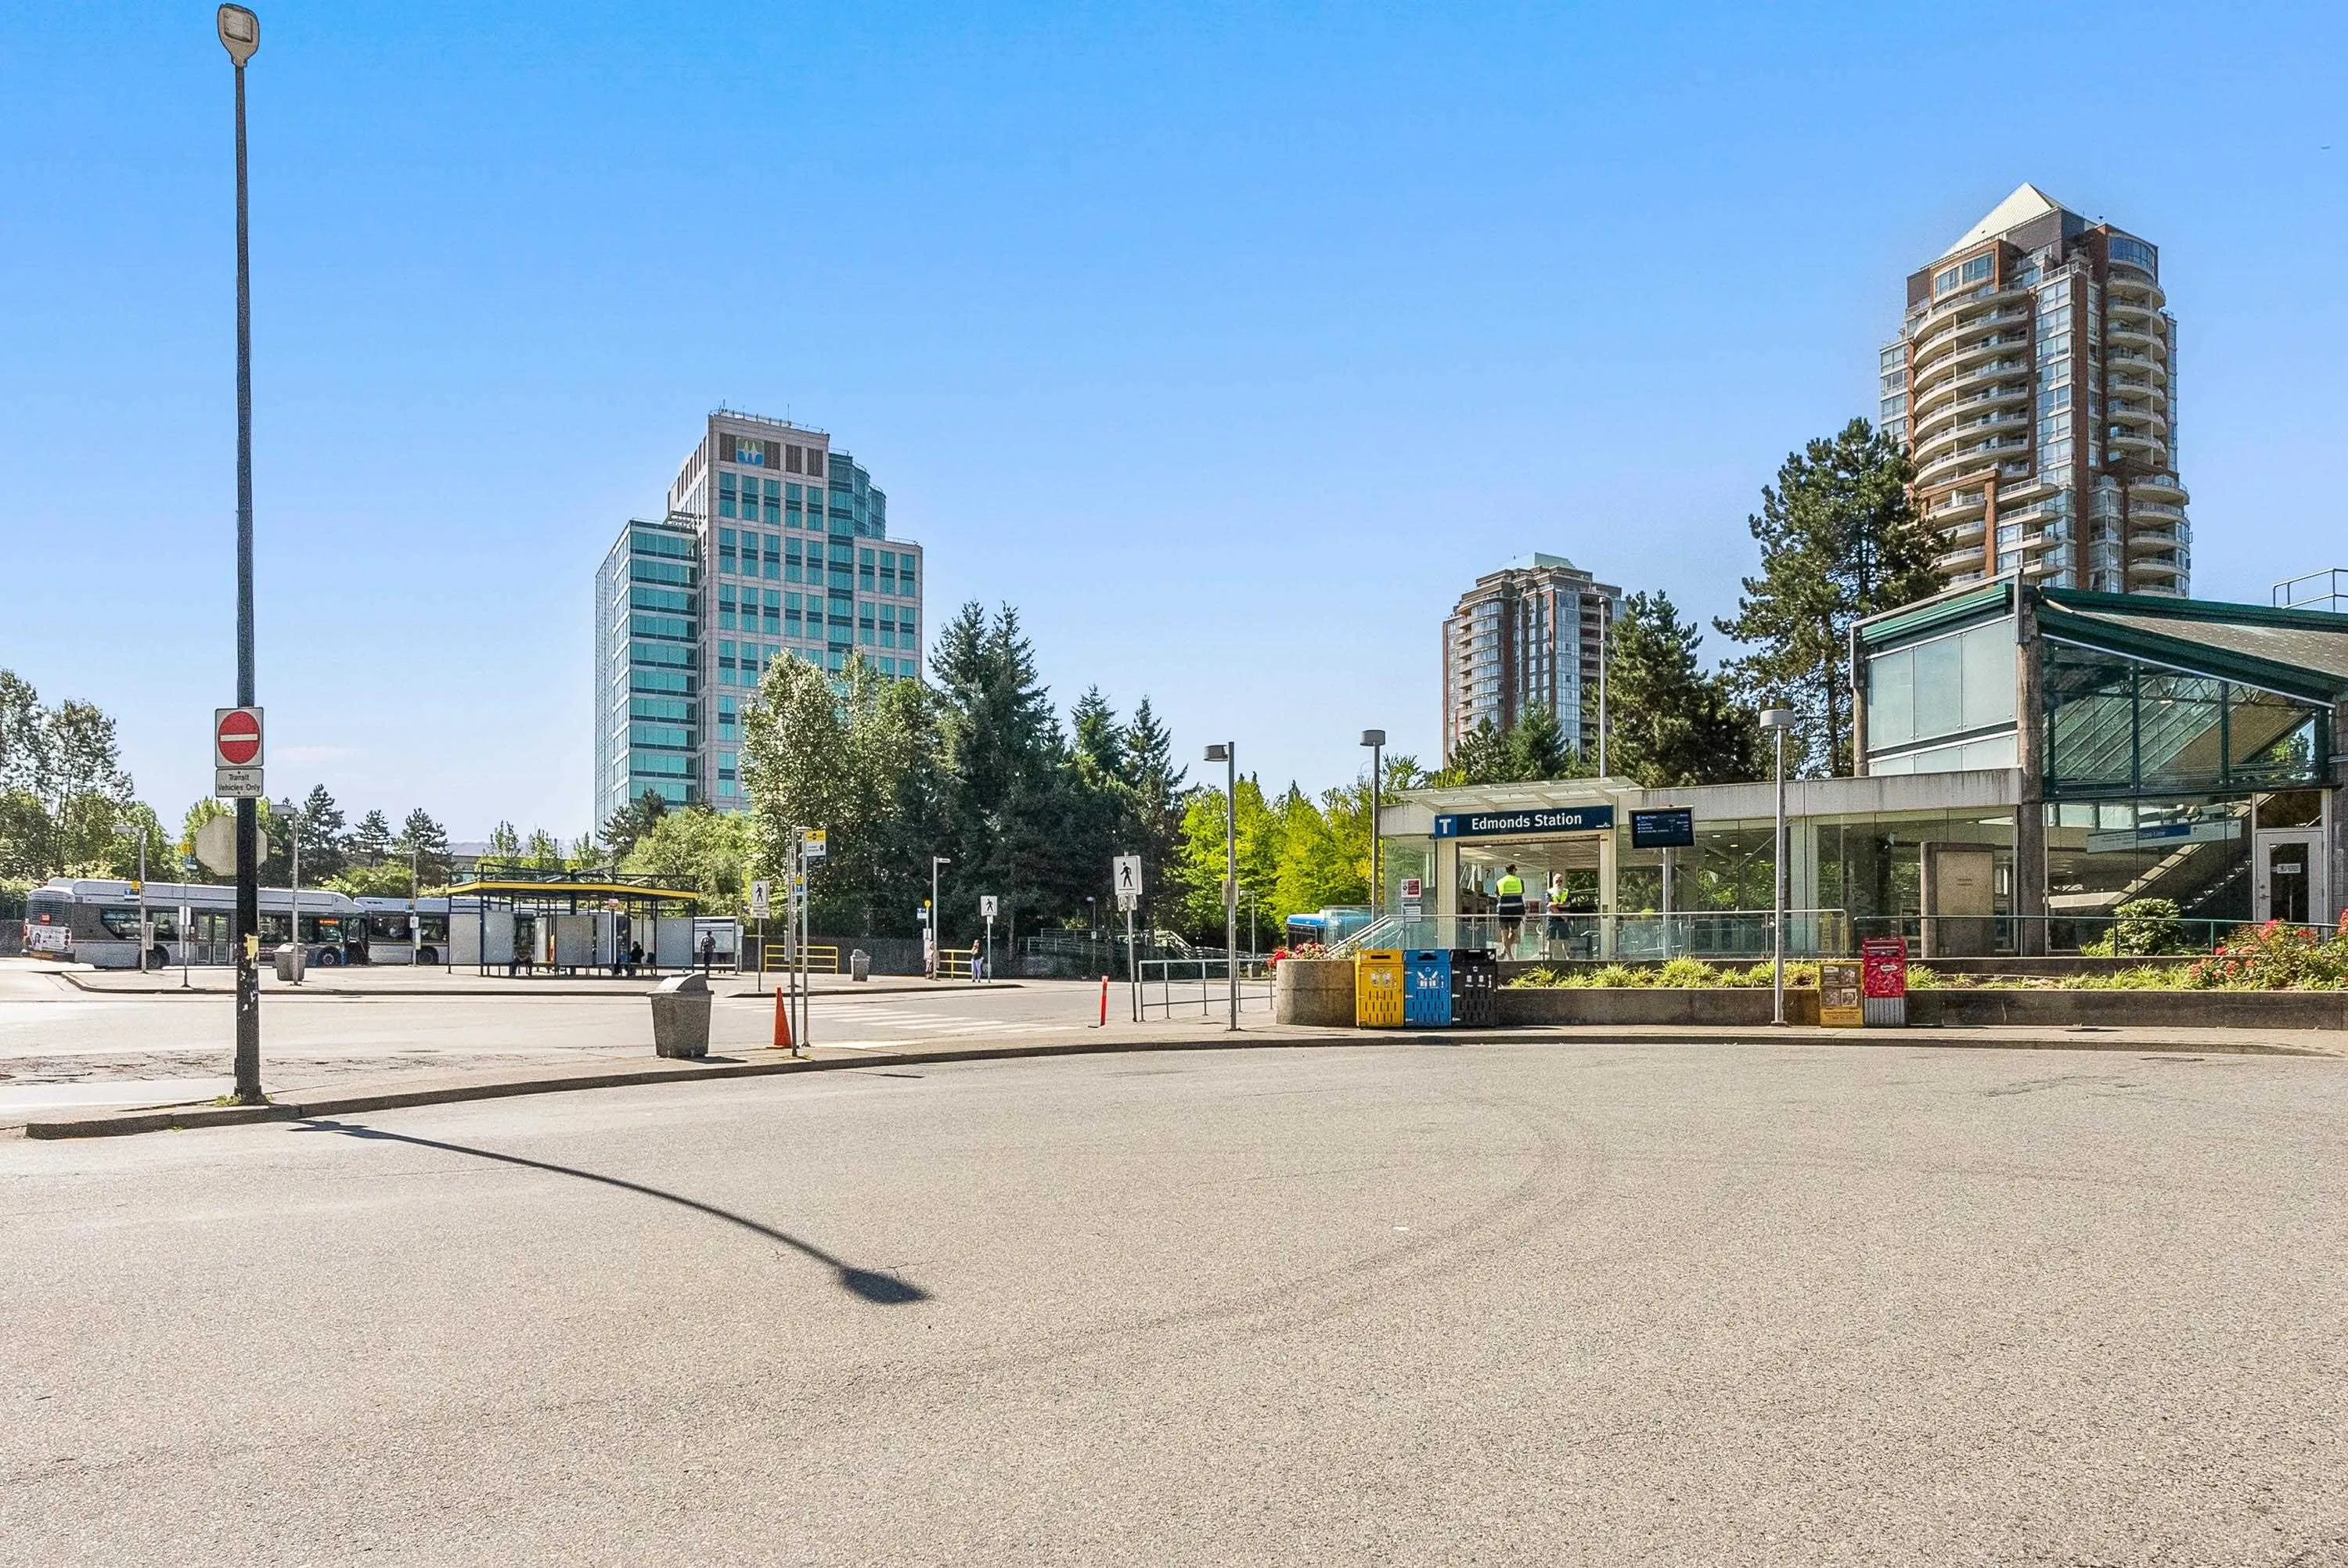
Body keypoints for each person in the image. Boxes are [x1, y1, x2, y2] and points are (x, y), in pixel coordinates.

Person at [1494, 863, 1525, 960]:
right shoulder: (1520, 881)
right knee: (1514, 932)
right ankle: (1509, 956)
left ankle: (1505, 952)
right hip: (1516, 909)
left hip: (1503, 910)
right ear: (1514, 870)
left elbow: (1497, 894)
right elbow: (1522, 892)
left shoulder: (1500, 881)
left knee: (1504, 933)